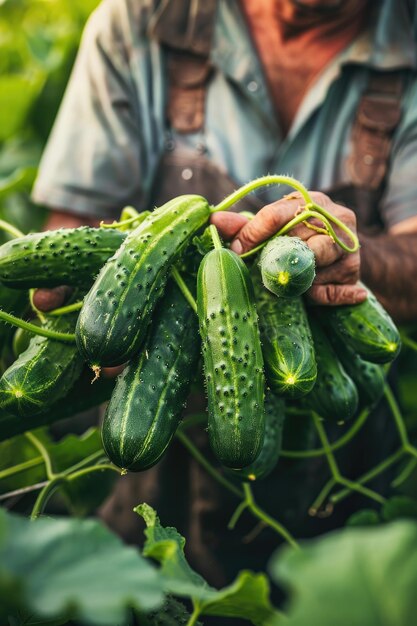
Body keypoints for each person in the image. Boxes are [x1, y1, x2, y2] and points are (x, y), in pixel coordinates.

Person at [31, 0, 417, 587]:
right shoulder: (139, 19)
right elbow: (69, 233)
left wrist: (346, 250)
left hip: (340, 473)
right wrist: (141, 286)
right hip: (152, 453)